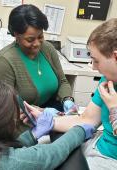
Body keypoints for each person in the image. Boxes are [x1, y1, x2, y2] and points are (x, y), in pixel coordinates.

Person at [23, 18, 117, 170]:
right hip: (98, 144)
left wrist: (115, 109)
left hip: (110, 159)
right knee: (38, 153)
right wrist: (47, 120)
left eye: (96, 61)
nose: (93, 67)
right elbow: (87, 120)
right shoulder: (108, 80)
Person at [0, 80, 94, 170]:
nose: (16, 120)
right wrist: (79, 131)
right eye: (12, 117)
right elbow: (48, 155)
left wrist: (32, 134)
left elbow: (1, 148)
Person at [0, 4, 75, 112]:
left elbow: (62, 81)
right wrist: (40, 112)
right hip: (22, 119)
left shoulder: (47, 48)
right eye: (30, 40)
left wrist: (67, 99)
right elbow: (3, 106)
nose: (37, 44)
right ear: (16, 35)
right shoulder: (4, 61)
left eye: (40, 37)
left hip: (52, 111)